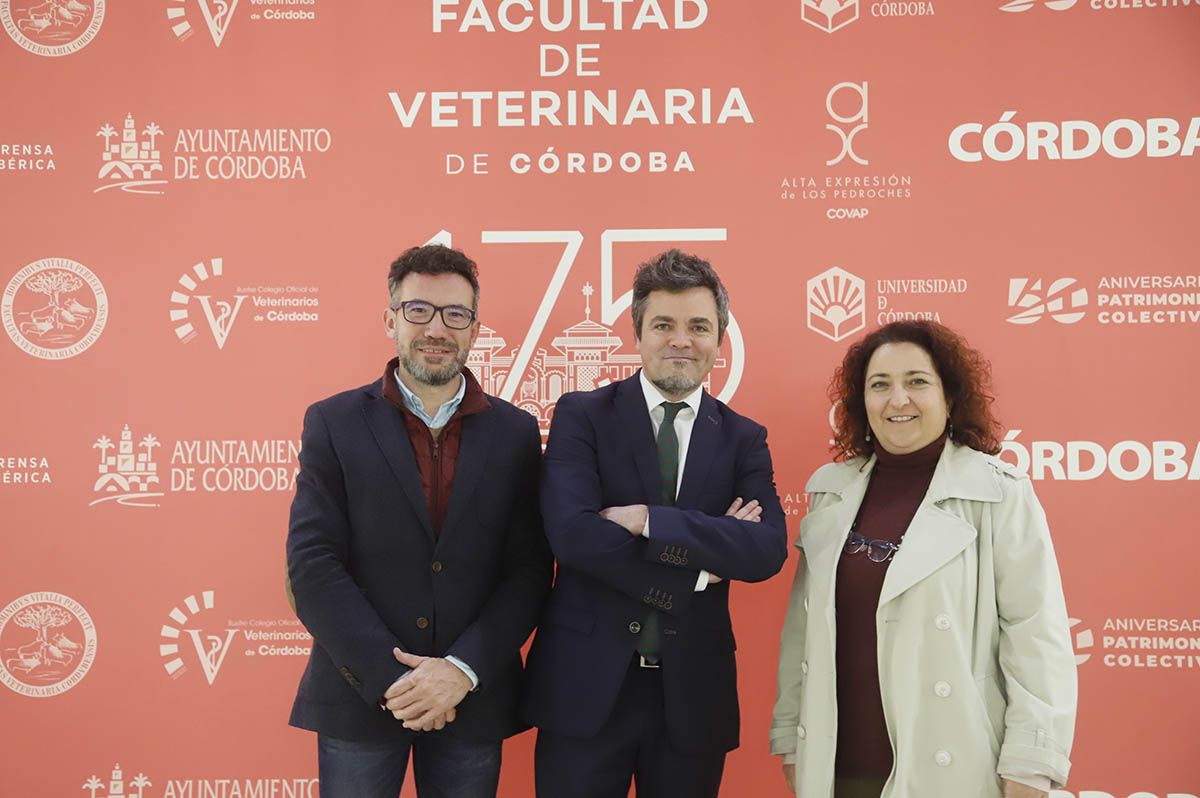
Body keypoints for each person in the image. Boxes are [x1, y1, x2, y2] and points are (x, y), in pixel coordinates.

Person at [286, 244, 552, 798]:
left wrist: (460, 670)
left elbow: (528, 572)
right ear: (390, 319)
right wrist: (395, 682)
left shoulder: (517, 434)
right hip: (360, 696)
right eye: (419, 310)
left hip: (471, 700)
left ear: (475, 328)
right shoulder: (333, 423)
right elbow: (313, 567)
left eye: (455, 314)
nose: (438, 328)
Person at [522, 249, 789, 798]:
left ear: (719, 339)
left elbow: (764, 550)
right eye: (663, 325)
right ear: (637, 332)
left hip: (691, 696)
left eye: (699, 326)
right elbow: (574, 536)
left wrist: (648, 521)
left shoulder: (744, 438)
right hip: (585, 691)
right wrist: (698, 570)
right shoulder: (582, 415)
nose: (681, 340)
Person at [771, 319, 1077, 798]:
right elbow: (802, 633)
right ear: (860, 401)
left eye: (917, 382)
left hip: (954, 763)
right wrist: (791, 736)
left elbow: (1036, 633)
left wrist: (1033, 759)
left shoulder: (997, 493)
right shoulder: (830, 493)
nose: (898, 400)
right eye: (880, 385)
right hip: (837, 766)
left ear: (949, 396)